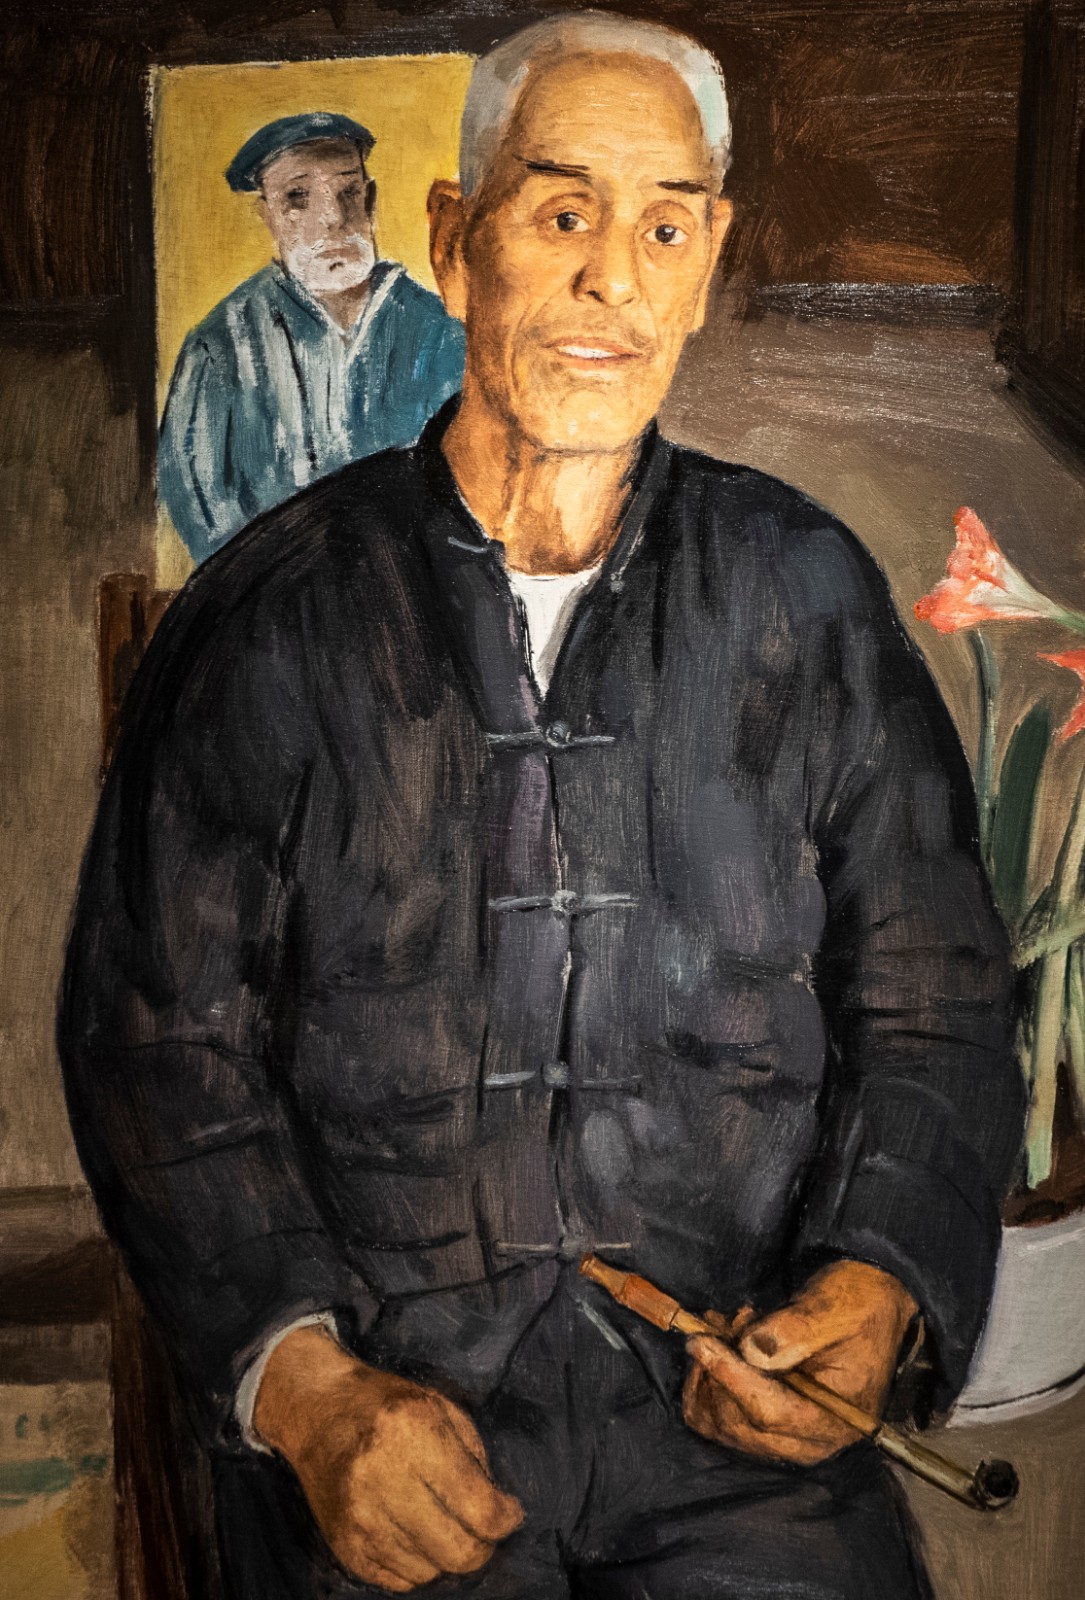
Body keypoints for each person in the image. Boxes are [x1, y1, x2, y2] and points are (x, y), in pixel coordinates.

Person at [62, 13, 1025, 1598]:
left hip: (733, 1425)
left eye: (664, 231)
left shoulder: (803, 594)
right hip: (385, 1430)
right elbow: (155, 1047)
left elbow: (937, 997)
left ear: (708, 267)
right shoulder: (268, 619)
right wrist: (305, 1393)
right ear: (456, 244)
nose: (611, 284)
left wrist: (874, 1287)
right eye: (563, 213)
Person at [158, 111, 465, 563]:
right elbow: (198, 504)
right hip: (271, 592)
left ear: (371, 200)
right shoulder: (221, 345)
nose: (332, 219)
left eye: (348, 192)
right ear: (267, 214)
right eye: (298, 197)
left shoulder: (441, 332)